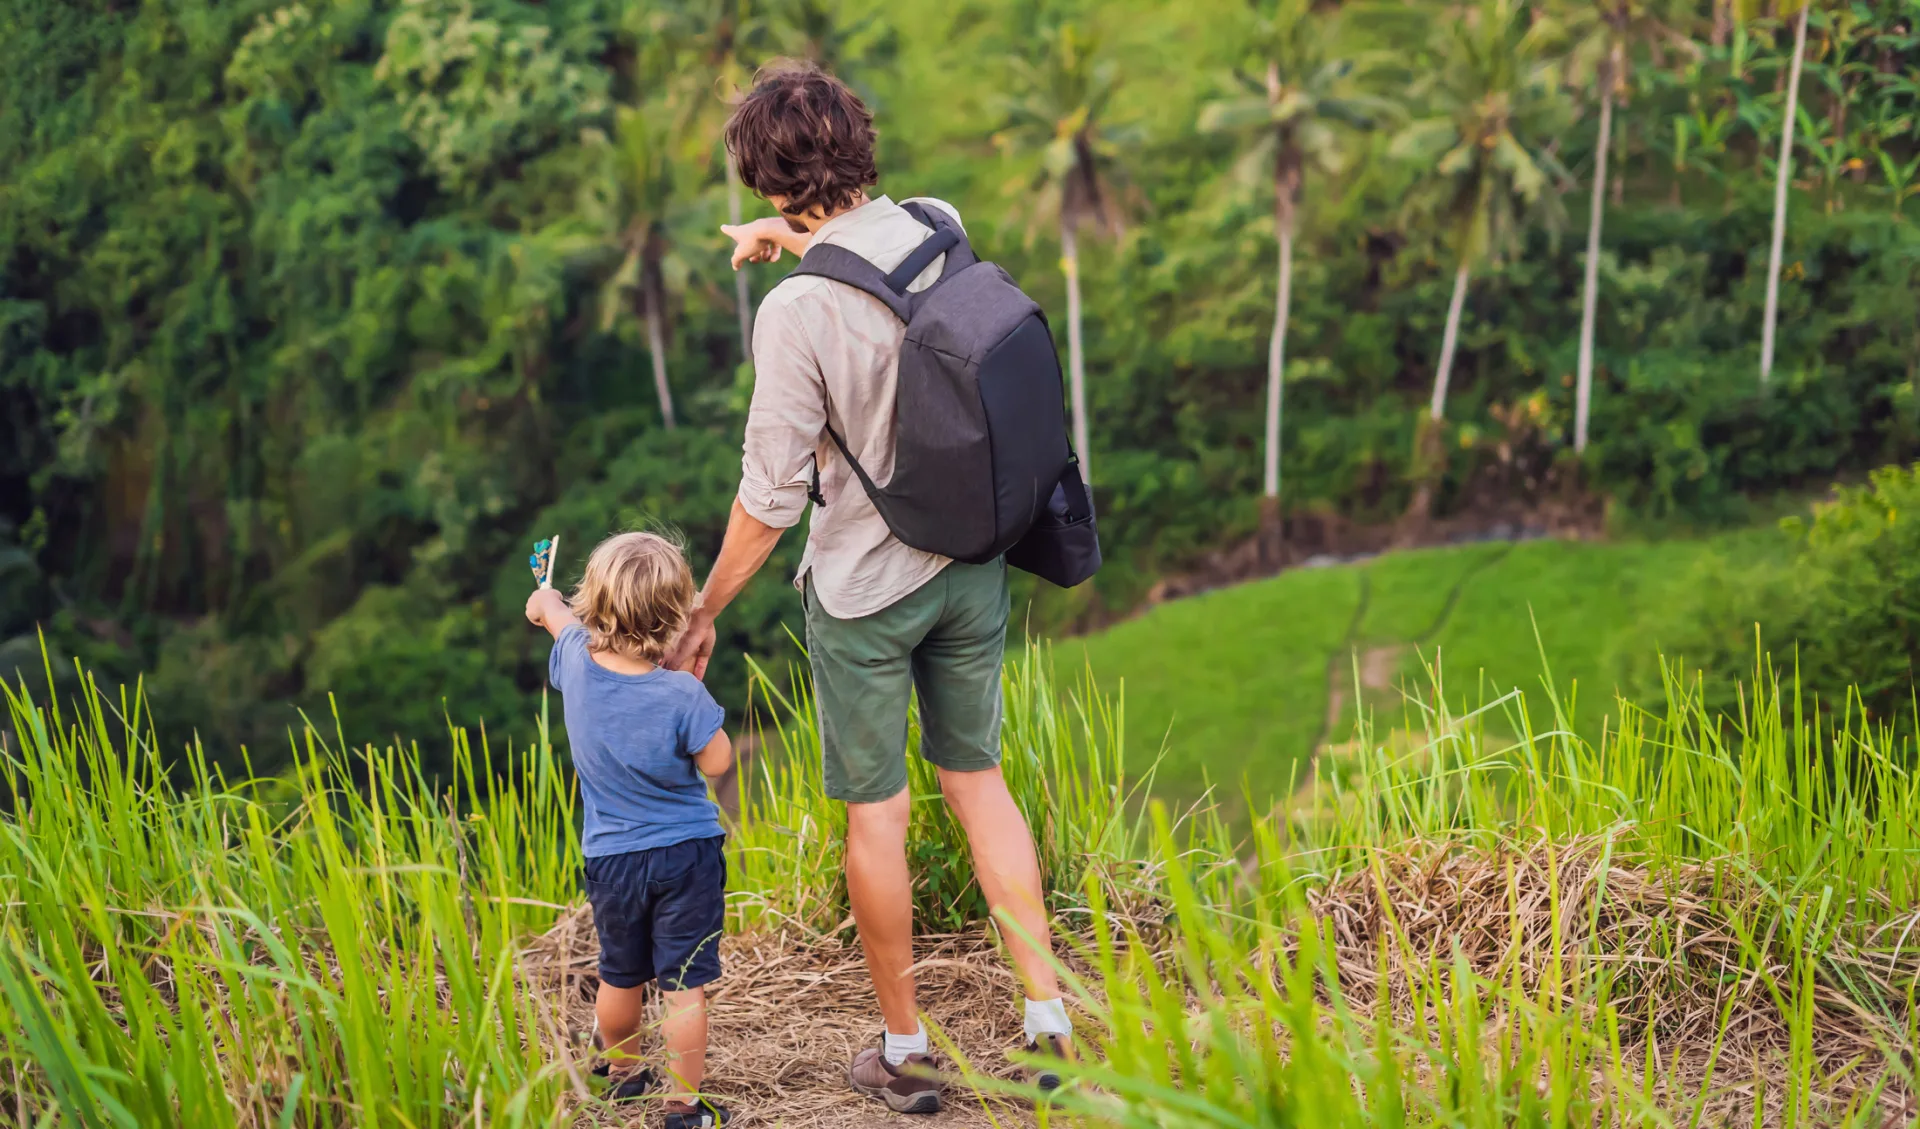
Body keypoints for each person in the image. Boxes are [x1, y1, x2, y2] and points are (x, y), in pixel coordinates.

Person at [662, 62, 1072, 1115]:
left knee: (876, 818)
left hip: (865, 595)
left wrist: (703, 609)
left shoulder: (794, 315)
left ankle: (903, 1048)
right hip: (973, 561)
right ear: (860, 143)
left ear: (763, 184)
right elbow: (876, 268)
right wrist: (792, 241)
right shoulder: (941, 221)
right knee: (977, 784)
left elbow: (769, 500)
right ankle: (1048, 1023)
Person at [525, 532, 735, 1129]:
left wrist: (542, 602)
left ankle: (622, 1073)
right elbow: (718, 763)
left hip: (613, 860)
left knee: (621, 973)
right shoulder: (680, 693)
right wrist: (695, 693)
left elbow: (555, 618)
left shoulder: (575, 663)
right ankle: (681, 1106)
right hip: (686, 856)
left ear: (596, 602)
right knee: (683, 983)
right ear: (675, 616)